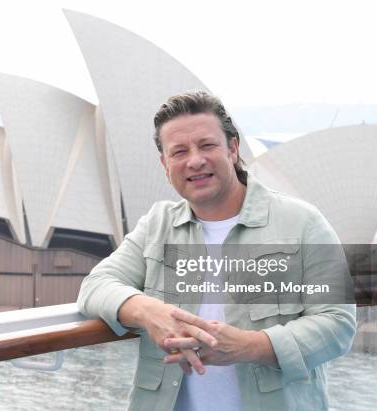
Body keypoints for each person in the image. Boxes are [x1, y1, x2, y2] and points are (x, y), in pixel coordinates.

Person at [77, 91, 356, 410]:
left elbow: (337, 323)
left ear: (233, 148)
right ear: (165, 164)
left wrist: (249, 346)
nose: (194, 160)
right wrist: (150, 312)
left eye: (207, 145)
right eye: (179, 151)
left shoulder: (301, 222)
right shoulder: (157, 226)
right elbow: (94, 286)